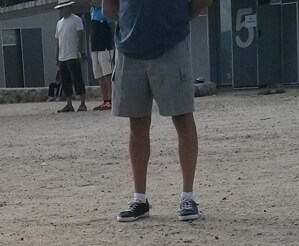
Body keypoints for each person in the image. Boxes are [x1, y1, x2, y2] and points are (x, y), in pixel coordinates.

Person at [103, 0, 210, 222]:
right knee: (137, 124)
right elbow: (108, 7)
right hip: (129, 49)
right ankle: (139, 199)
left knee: (182, 117)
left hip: (171, 45)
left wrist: (173, 23)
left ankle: (187, 196)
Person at [54, 1, 86, 113]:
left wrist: (79, 52)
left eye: (62, 8)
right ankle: (69, 104)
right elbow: (58, 40)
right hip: (62, 56)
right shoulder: (59, 23)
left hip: (73, 55)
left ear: (68, 7)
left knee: (77, 79)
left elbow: (80, 37)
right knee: (65, 81)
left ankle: (82, 103)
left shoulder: (77, 20)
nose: (61, 10)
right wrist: (57, 55)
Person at [89, 0, 114, 110]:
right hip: (95, 47)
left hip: (105, 46)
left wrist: (113, 43)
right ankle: (105, 100)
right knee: (99, 75)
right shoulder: (92, 10)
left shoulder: (105, 10)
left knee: (107, 74)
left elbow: (112, 27)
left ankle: (112, 100)